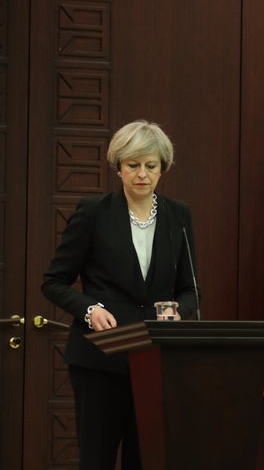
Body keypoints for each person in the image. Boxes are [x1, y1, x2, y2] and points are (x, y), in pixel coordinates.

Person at [41, 119, 201, 470]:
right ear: (118, 168)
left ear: (163, 169)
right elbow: (53, 281)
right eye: (133, 165)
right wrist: (89, 310)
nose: (142, 174)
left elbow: (190, 290)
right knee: (96, 460)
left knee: (145, 460)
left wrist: (179, 309)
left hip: (155, 362)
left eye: (151, 166)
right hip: (100, 359)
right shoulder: (94, 212)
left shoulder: (179, 215)